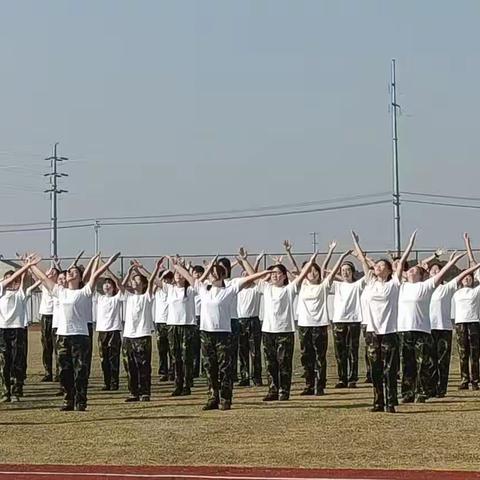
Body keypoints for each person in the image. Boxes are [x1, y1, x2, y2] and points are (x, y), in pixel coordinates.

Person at [172, 256, 268, 410]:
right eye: (211, 272)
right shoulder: (203, 289)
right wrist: (177, 266)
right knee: (210, 368)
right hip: (206, 334)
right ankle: (212, 397)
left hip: (223, 334)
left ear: (223, 275)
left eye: (217, 272)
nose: (213, 275)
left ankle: (225, 399)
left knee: (225, 368)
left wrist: (263, 272)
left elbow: (249, 279)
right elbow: (189, 277)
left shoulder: (230, 289)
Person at [29, 252, 120, 411]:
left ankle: (81, 401)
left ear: (80, 278)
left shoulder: (84, 292)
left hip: (80, 336)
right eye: (69, 271)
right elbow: (44, 279)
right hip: (63, 336)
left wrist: (108, 262)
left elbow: (96, 274)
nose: (70, 273)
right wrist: (32, 265)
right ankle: (68, 400)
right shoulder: (59, 291)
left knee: (81, 371)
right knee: (65, 371)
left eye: (74, 272)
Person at [241, 248, 320, 402]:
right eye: (272, 273)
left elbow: (302, 275)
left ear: (284, 276)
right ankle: (273, 390)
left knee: (284, 363)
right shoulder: (266, 288)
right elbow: (253, 277)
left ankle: (284, 391)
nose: (274, 275)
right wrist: (245, 260)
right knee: (270, 364)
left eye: (278, 273)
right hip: (268, 331)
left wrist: (311, 261)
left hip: (285, 331)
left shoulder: (289, 289)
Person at [397, 248, 466, 403]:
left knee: (423, 363)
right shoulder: (400, 286)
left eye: (414, 270)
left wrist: (451, 262)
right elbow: (399, 265)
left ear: (421, 275)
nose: (410, 271)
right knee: (407, 363)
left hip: (421, 330)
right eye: (409, 270)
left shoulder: (426, 286)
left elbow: (441, 274)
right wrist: (410, 246)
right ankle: (407, 393)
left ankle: (422, 392)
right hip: (404, 330)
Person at [360, 232, 417, 413]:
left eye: (381, 265)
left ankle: (391, 402)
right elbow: (362, 259)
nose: (377, 267)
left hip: (389, 332)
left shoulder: (393, 284)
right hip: (372, 332)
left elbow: (401, 264)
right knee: (375, 370)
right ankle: (378, 402)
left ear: (389, 269)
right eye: (376, 265)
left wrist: (409, 245)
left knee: (390, 370)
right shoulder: (369, 283)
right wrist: (357, 244)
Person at [295, 244, 352, 396]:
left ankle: (319, 386)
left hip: (320, 326)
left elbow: (333, 271)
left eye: (315, 271)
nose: (312, 273)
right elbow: (298, 272)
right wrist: (306, 260)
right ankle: (308, 385)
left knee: (320, 357)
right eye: (309, 271)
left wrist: (338, 255)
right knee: (306, 357)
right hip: (304, 326)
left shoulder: (324, 286)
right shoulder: (301, 286)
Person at [331, 234, 369, 389]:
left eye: (348, 270)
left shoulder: (358, 285)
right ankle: (342, 378)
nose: (345, 272)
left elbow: (367, 272)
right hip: (338, 321)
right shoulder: (336, 285)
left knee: (353, 351)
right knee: (340, 353)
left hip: (353, 321)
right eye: (343, 270)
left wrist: (358, 249)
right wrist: (340, 257)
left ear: (353, 272)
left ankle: (352, 378)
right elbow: (328, 275)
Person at [0, 258, 40, 403]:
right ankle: (6, 392)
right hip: (3, 330)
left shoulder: (20, 293)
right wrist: (26, 265)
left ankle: (17, 390)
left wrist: (27, 268)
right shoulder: (1, 291)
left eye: (13, 280)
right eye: (8, 279)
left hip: (17, 330)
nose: (11, 282)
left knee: (17, 361)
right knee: (4, 362)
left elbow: (22, 279)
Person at [122, 260, 161, 402]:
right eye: (133, 280)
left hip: (143, 334)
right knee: (129, 366)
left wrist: (153, 268)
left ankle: (145, 392)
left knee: (143, 366)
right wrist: (129, 273)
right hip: (128, 336)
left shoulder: (147, 296)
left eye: (138, 280)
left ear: (143, 283)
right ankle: (133, 393)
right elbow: (120, 286)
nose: (135, 282)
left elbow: (152, 282)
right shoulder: (128, 296)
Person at [96, 273, 125, 391]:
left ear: (114, 287)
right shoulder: (99, 298)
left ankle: (114, 383)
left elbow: (121, 285)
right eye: (105, 284)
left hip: (114, 331)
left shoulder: (117, 298)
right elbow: (90, 283)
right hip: (102, 332)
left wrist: (112, 275)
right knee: (104, 359)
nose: (107, 286)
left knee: (114, 358)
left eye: (109, 284)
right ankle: (106, 382)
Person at [38, 267, 59, 382]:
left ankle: (59, 373)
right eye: (49, 273)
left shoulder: (58, 287)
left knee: (57, 347)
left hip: (56, 317)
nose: (51, 274)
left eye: (54, 273)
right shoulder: (43, 285)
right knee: (46, 346)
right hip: (46, 316)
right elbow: (38, 276)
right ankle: (48, 373)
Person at [154, 270, 174, 382]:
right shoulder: (156, 291)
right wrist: (160, 275)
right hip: (160, 322)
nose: (166, 281)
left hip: (171, 322)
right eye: (164, 279)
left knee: (172, 350)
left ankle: (172, 372)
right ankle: (163, 372)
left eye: (168, 279)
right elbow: (154, 282)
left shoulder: (172, 290)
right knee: (162, 350)